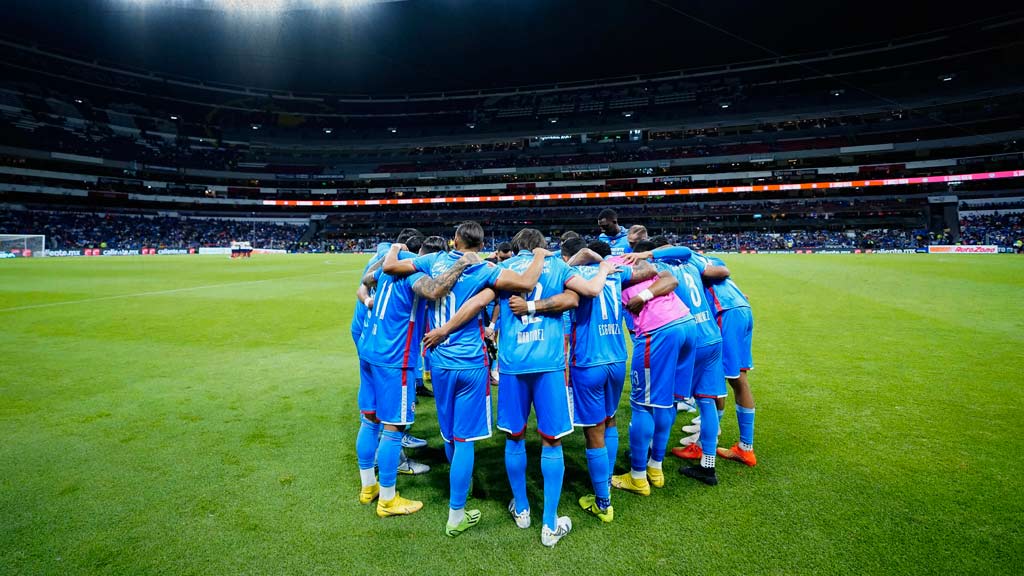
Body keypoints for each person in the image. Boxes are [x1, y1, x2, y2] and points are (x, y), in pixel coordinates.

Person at [385, 221, 549, 538]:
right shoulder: (487, 270)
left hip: (439, 361)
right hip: (472, 363)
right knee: (465, 440)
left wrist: (394, 247)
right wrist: (540, 255)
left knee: (449, 434)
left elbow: (391, 267)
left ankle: (462, 486)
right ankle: (457, 512)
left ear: (456, 240)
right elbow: (528, 281)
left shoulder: (434, 261)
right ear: (481, 243)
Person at [354, 236, 474, 518]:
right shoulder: (415, 276)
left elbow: (365, 281)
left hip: (369, 350)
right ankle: (387, 498)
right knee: (394, 428)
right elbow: (435, 291)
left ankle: (367, 487)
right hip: (394, 359)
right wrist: (461, 265)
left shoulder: (385, 271)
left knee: (369, 421)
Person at [559, 238, 656, 521]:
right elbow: (649, 269)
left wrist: (583, 257)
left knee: (593, 431)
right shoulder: (614, 272)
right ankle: (608, 480)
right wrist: (611, 262)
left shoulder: (572, 275)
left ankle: (602, 501)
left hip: (588, 360)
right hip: (617, 359)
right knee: (610, 419)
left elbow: (559, 268)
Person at [623, 242, 730, 485]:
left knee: (666, 400)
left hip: (687, 337)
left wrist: (646, 257)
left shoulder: (657, 270)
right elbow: (685, 250)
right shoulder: (689, 264)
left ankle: (652, 455)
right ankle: (708, 465)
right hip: (712, 335)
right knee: (706, 401)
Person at [610, 240, 696, 496]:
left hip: (657, 332)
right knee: (667, 401)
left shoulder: (610, 266)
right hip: (686, 324)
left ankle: (637, 476)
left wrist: (641, 297)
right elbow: (670, 279)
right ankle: (655, 467)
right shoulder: (638, 261)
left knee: (642, 405)